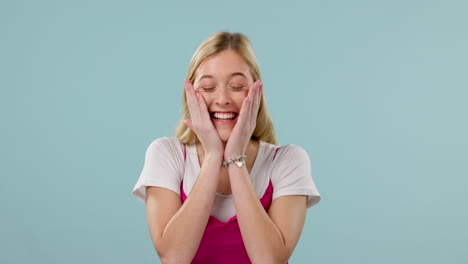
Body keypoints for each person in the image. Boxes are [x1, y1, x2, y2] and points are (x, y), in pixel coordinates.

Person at [132, 32, 321, 264]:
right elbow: (173, 257)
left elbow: (269, 259)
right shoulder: (165, 154)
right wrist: (213, 157)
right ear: (190, 93)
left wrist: (235, 159)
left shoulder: (288, 161)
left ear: (257, 93)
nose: (222, 99)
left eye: (237, 86)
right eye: (208, 87)